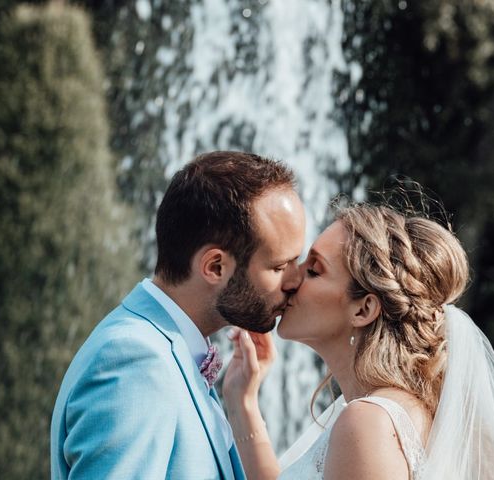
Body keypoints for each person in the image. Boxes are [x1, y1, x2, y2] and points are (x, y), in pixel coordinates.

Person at [50, 151, 306, 479]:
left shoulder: (166, 352)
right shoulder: (135, 361)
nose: (296, 280)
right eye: (280, 266)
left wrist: (243, 403)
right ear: (215, 267)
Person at [223, 201, 494, 479]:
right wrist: (243, 401)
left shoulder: (369, 422)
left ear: (364, 308)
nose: (290, 280)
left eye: (313, 270)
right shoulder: (386, 413)